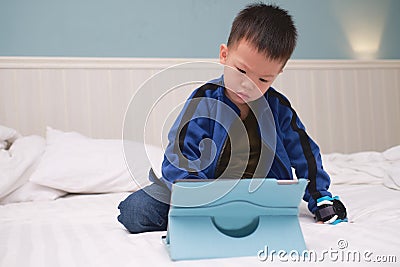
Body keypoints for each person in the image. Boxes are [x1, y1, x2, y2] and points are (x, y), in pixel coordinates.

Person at [118, 3, 347, 234]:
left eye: (264, 80)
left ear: (277, 74)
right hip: (203, 191)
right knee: (135, 210)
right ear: (224, 55)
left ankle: (233, 217)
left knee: (272, 206)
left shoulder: (278, 108)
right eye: (242, 71)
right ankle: (207, 215)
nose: (249, 85)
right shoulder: (204, 101)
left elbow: (305, 154)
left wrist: (320, 197)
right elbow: (180, 153)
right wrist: (195, 195)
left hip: (258, 193)